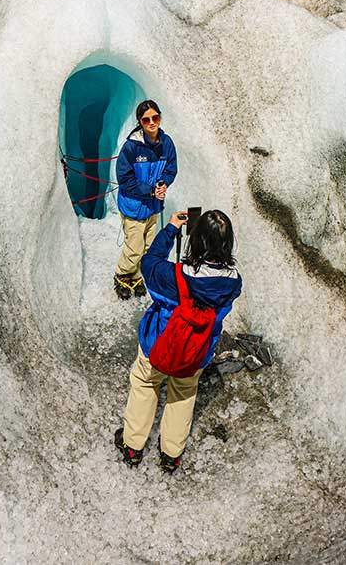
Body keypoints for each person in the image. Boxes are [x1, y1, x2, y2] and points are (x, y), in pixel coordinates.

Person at [115, 209, 242, 473]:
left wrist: (171, 228)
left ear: (195, 240)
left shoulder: (170, 275)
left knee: (145, 383)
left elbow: (149, 261)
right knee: (183, 394)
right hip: (196, 352)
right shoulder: (233, 283)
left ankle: (133, 446)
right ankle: (171, 454)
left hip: (158, 344)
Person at [114, 100, 177, 300]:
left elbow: (171, 169)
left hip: (153, 207)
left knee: (149, 246)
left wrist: (163, 183)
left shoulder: (166, 143)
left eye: (155, 117)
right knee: (134, 248)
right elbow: (124, 180)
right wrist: (150, 191)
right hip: (133, 207)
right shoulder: (131, 147)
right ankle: (122, 275)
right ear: (140, 122)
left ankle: (137, 276)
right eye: (146, 119)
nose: (151, 122)